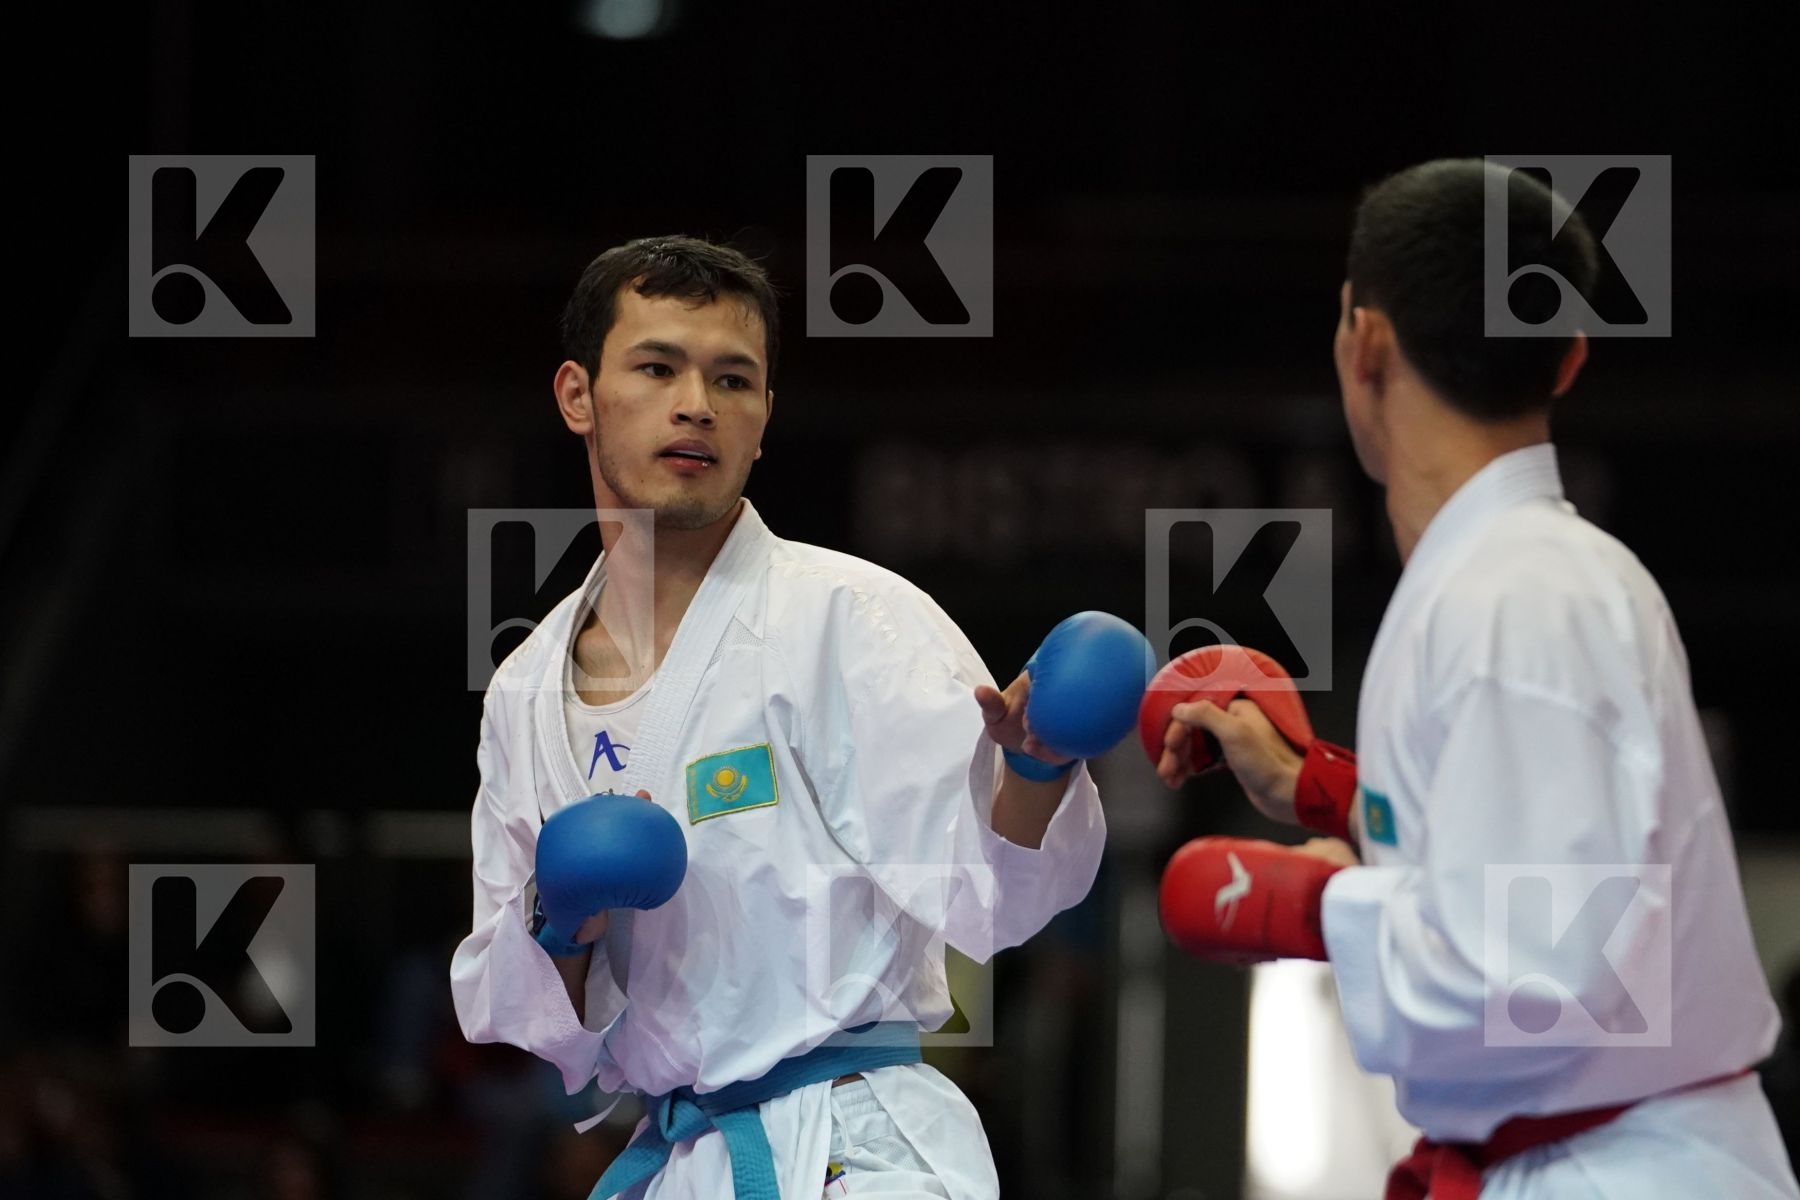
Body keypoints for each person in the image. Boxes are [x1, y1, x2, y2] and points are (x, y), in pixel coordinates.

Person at [1151, 160, 1799, 1198]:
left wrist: (1307, 904)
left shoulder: (1521, 597)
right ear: (1572, 358)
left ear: (1363, 341)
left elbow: (1531, 972)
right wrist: (1315, 788)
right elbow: (1532, 861)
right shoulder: (1514, 577)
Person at [449, 236, 1110, 1200]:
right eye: (658, 366)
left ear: (763, 422)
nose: (697, 405)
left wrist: (1038, 773)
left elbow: (993, 903)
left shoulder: (852, 621)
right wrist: (564, 923)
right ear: (577, 396)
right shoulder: (524, 688)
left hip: (860, 1149)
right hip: (680, 1159)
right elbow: (530, 1021)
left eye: (734, 380)